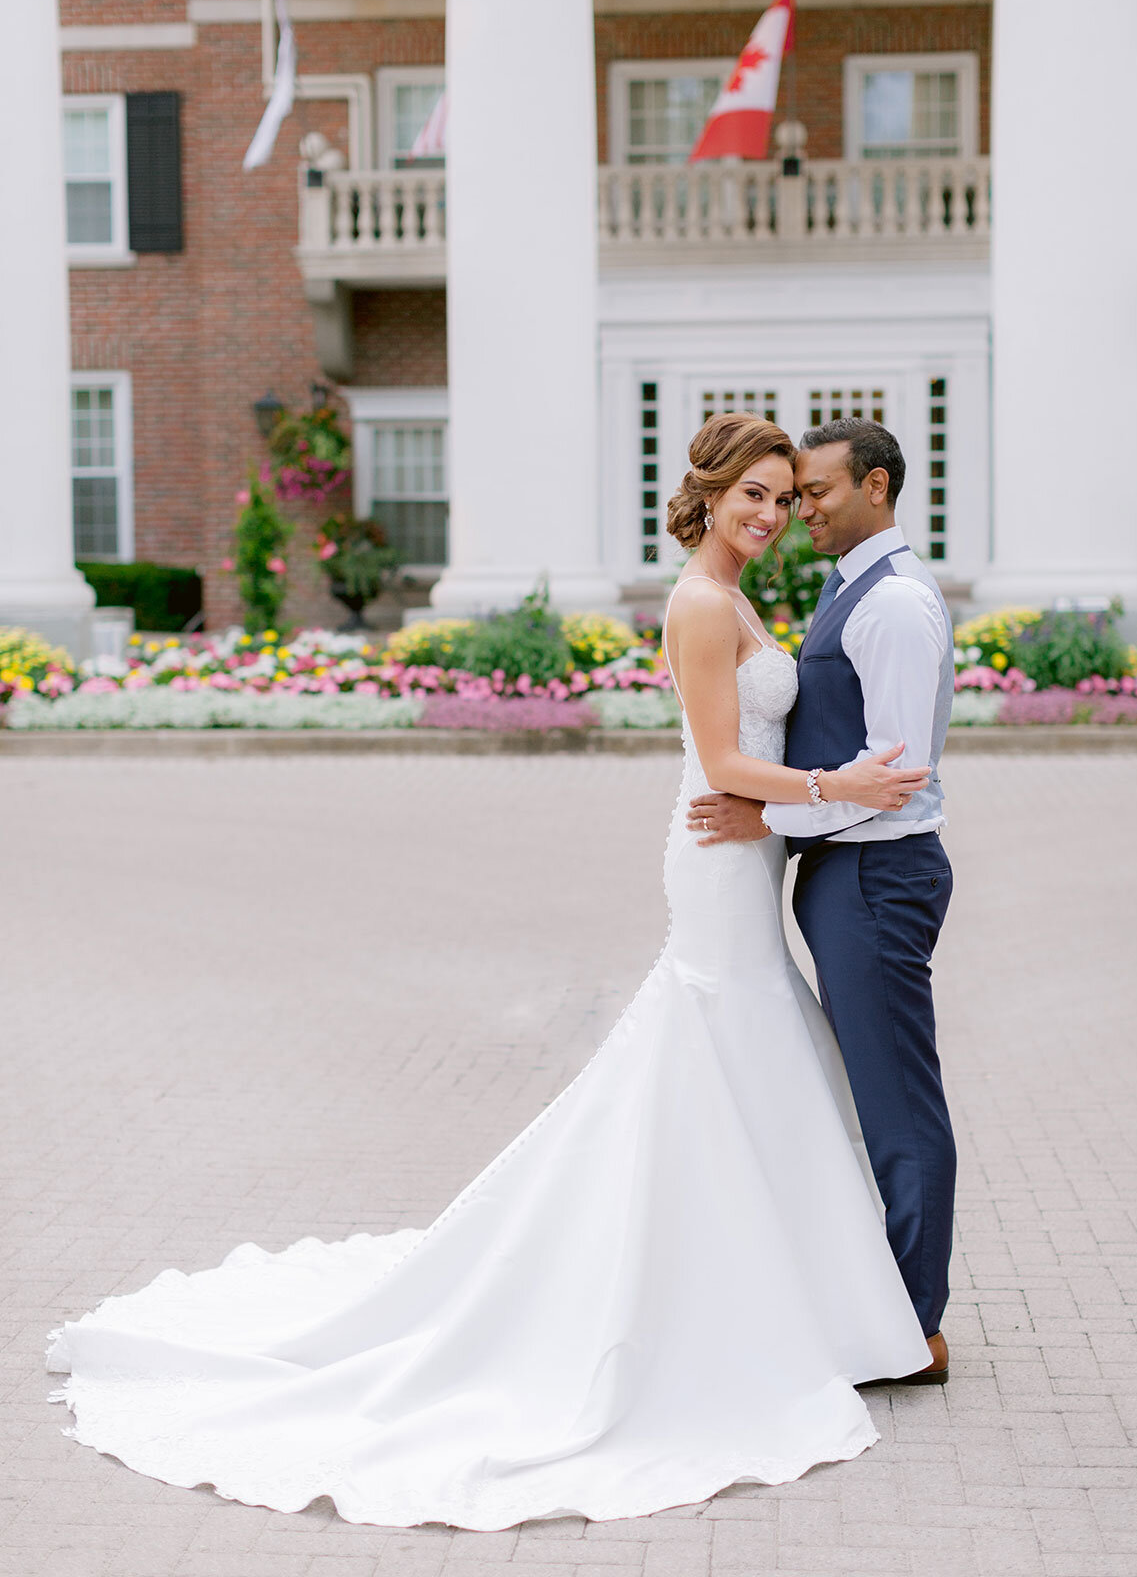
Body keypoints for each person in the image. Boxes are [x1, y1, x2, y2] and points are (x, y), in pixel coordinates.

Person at [47, 413, 936, 1532]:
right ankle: (739, 1304)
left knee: (752, 1052)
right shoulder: (701, 602)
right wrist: (841, 790)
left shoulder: (741, 593)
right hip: (719, 855)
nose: (768, 514)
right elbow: (720, 762)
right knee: (727, 1046)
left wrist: (801, 796)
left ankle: (799, 1297)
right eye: (750, 495)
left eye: (779, 495)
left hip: (747, 850)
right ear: (705, 496)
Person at [687, 416, 958, 1384]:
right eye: (784, 493)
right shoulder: (849, 588)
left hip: (877, 877)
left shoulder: (891, 608)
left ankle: (915, 1327)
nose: (800, 509)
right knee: (866, 1094)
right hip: (841, 875)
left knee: (895, 1104)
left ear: (877, 487)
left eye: (816, 492)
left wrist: (773, 819)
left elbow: (898, 784)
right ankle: (878, 1303)